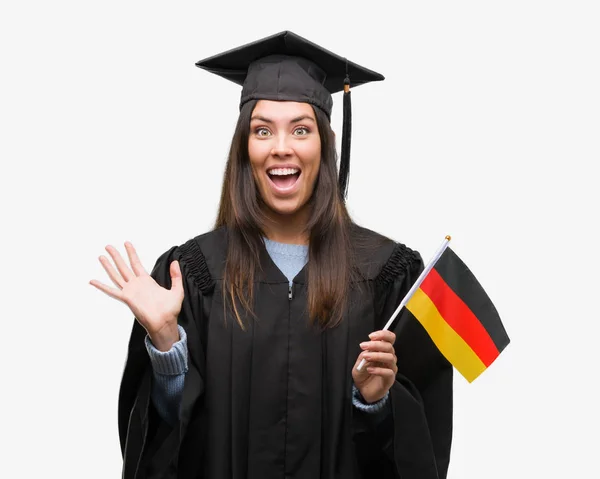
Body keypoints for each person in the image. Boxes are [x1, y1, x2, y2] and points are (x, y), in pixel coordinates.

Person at [90, 31, 453, 479]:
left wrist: (375, 403)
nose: (281, 146)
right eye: (263, 130)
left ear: (325, 143)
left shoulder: (386, 276)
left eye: (301, 129)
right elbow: (164, 449)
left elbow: (424, 448)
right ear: (245, 146)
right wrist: (167, 345)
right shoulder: (193, 275)